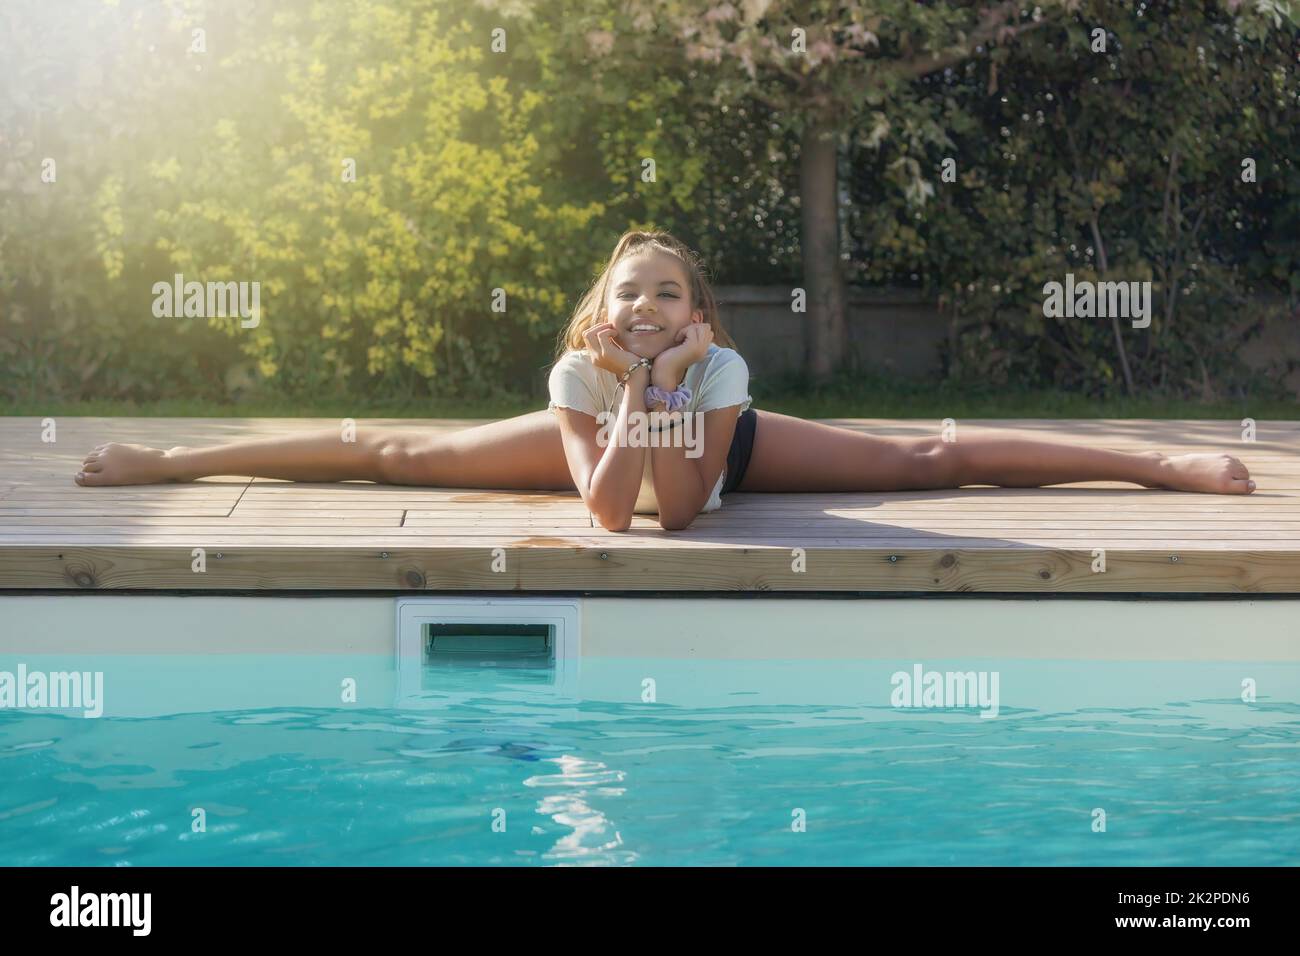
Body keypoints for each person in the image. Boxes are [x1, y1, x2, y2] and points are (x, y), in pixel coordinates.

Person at [74, 229, 1256, 531]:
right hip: (595, 440)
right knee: (397, 453)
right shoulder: (577, 373)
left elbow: (683, 516)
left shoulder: (724, 364)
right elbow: (607, 513)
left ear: (700, 317)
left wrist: (688, 389)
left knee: (929, 460)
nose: (646, 307)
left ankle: (1153, 464)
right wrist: (634, 392)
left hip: (713, 450)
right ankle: (168, 461)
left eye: (668, 295)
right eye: (628, 293)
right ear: (600, 315)